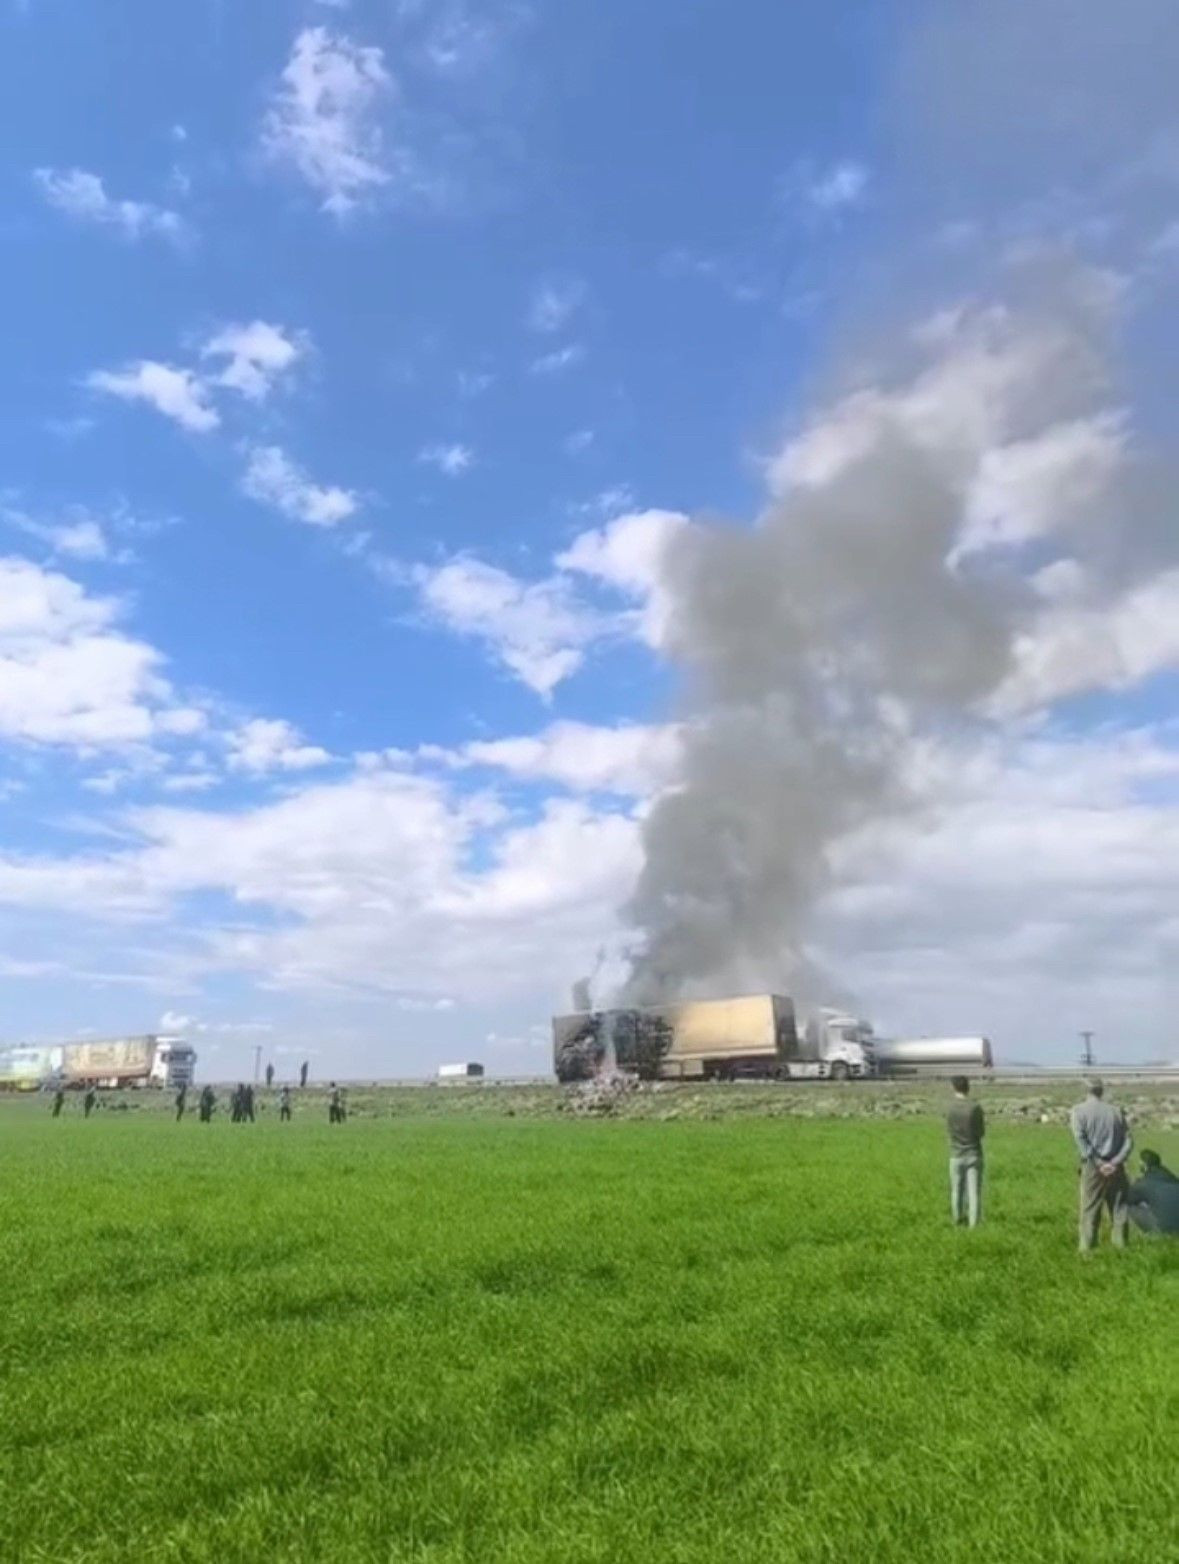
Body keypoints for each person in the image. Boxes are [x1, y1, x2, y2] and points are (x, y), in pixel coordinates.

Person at [1070, 1078, 1133, 1251]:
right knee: (1119, 1210)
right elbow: (1128, 1141)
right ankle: (1121, 1248)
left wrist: (1098, 1162)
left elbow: (1081, 1140)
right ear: (1102, 1091)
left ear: (1086, 1091)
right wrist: (1115, 1161)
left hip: (1092, 1167)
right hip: (1116, 1167)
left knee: (1090, 1210)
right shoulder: (1116, 1111)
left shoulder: (1078, 1111)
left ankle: (1086, 1250)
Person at [946, 1075, 985, 1228]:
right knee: (974, 1193)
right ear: (968, 1087)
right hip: (974, 1153)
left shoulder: (950, 1108)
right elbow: (981, 1132)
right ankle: (973, 1225)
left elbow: (949, 1131)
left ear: (954, 1087)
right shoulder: (975, 1107)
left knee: (956, 1190)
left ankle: (957, 1220)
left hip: (956, 1154)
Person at [1126, 1149, 1179, 1237]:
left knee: (1129, 1206)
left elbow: (1128, 1199)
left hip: (1163, 1228)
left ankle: (1151, 1233)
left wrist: (1132, 1184)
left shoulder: (1143, 1184)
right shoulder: (1173, 1179)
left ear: (1145, 1166)